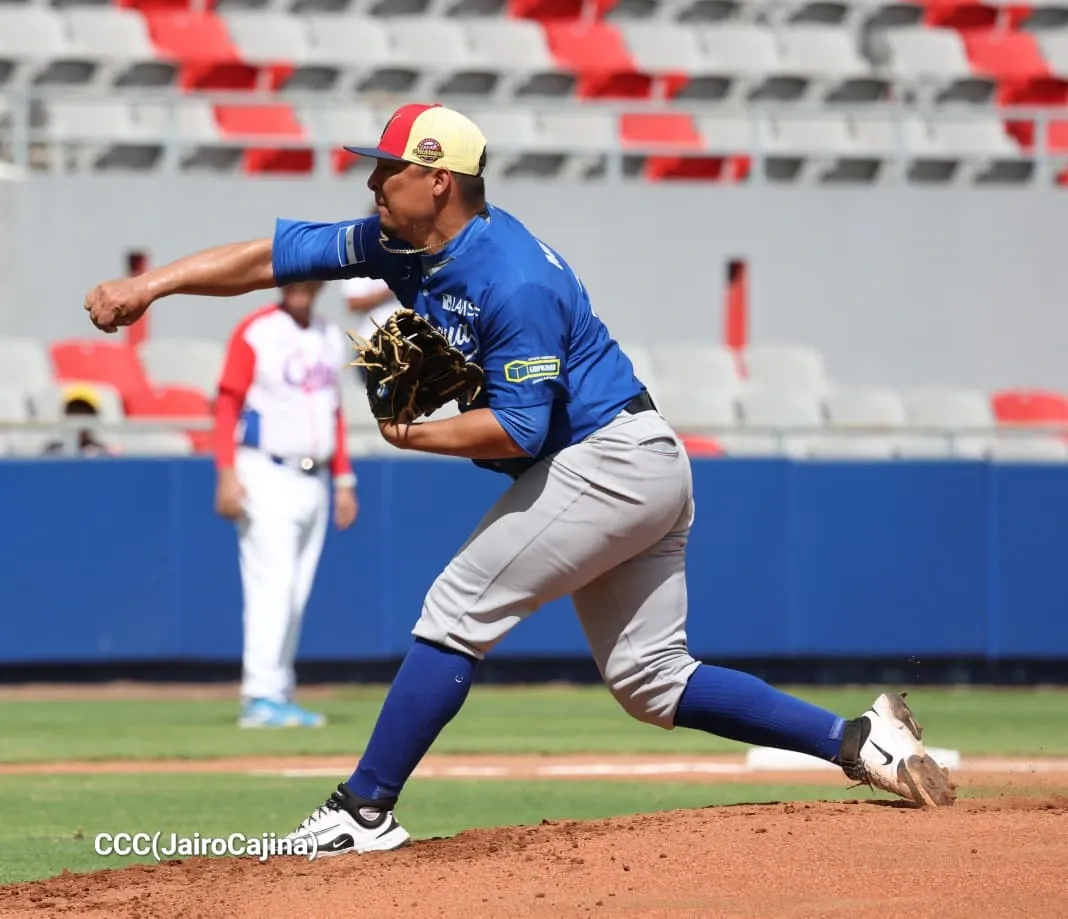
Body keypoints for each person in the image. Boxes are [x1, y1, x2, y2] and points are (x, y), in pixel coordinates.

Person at [83, 102, 956, 855]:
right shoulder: (401, 245)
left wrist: (409, 435)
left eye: (386, 169)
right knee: (652, 682)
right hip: (634, 458)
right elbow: (274, 256)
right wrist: (150, 286)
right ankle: (858, 739)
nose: (371, 184)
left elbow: (518, 427)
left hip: (610, 457)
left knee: (457, 607)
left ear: (439, 181)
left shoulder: (512, 275)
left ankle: (364, 809)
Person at [213, 279, 360, 729]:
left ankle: (277, 692)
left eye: (309, 279)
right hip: (265, 470)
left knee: (293, 593)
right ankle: (260, 695)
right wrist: (225, 471)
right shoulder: (257, 331)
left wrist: (344, 479)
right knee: (271, 587)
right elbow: (227, 402)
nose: (302, 287)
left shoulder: (329, 335)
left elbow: (334, 412)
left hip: (313, 476)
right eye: (294, 279)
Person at [341, 207, 402, 385]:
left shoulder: (411, 256)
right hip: (373, 343)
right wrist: (392, 287)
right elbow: (353, 303)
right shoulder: (362, 260)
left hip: (407, 344)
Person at [41, 383, 118, 457]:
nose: (79, 419)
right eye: (74, 411)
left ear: (95, 416)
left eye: (85, 412)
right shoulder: (52, 451)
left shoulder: (103, 453)